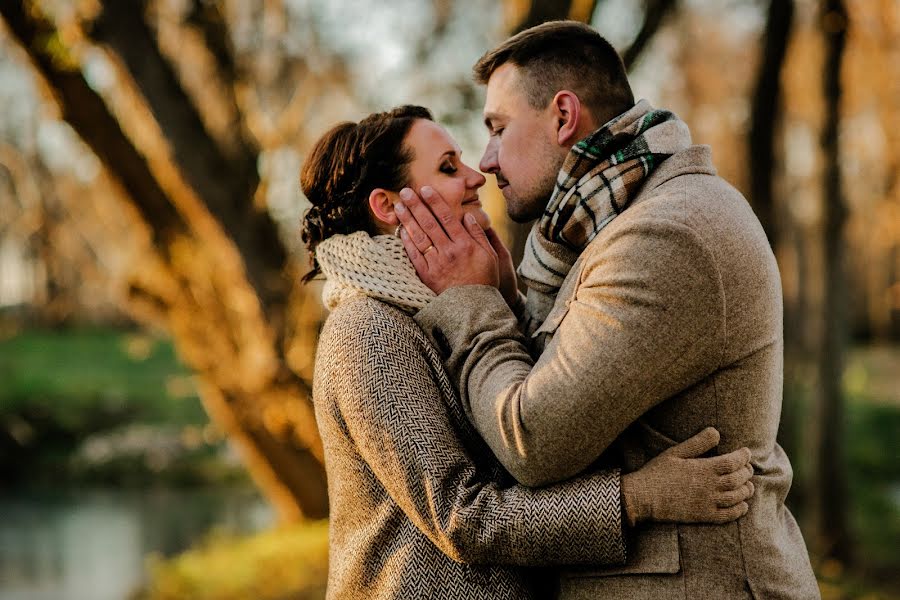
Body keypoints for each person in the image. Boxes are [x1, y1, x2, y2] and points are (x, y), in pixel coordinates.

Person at [393, 21, 819, 599]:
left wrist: (470, 303)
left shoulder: (665, 236)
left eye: (497, 128)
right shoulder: (610, 223)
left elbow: (532, 440)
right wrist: (510, 303)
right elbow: (574, 371)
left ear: (563, 117)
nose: (486, 160)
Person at [302, 105, 756, 599]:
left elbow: (531, 410)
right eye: (449, 167)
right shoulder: (366, 330)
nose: (478, 176)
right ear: (388, 207)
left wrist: (505, 303)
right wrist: (637, 497)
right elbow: (463, 516)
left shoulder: (438, 308)